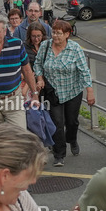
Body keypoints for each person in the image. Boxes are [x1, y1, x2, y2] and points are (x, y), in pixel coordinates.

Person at [34, 19, 95, 167]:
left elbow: (84, 71)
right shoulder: (45, 46)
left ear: (67, 34)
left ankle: (72, 139)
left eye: (59, 33)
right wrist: (40, 78)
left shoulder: (74, 48)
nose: (55, 36)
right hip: (53, 92)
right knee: (57, 123)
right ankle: (59, 154)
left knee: (71, 122)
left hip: (72, 91)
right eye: (54, 32)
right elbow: (38, 64)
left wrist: (90, 90)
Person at [0, 15, 39, 131]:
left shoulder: (17, 44)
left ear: (5, 31)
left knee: (19, 135)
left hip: (14, 99)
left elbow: (27, 70)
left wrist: (34, 94)